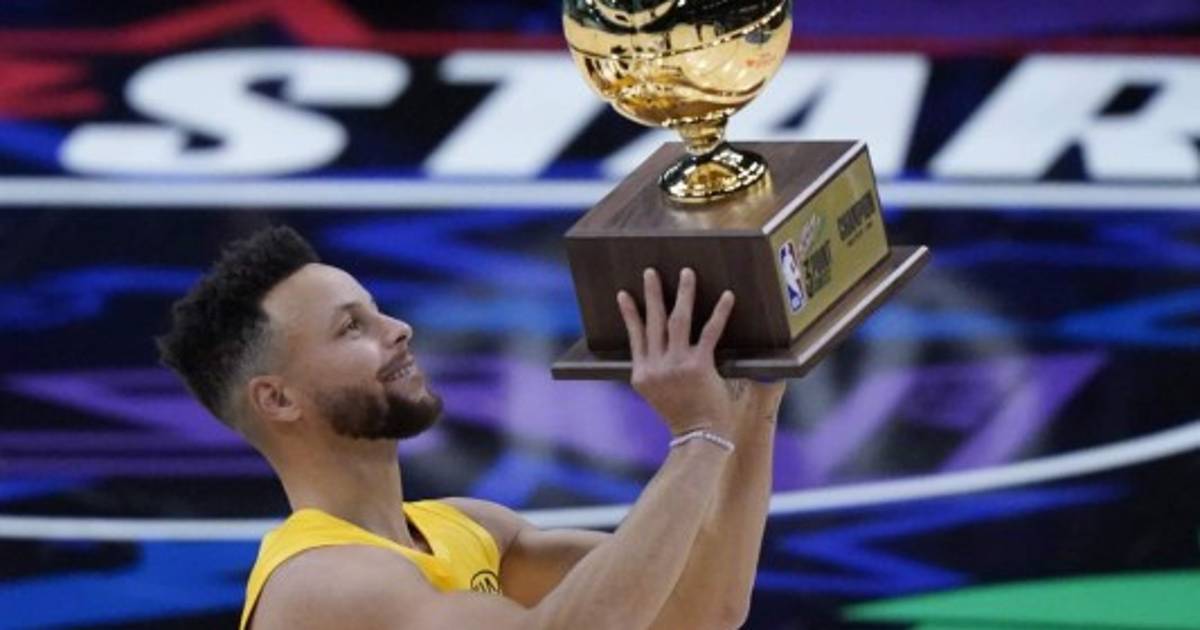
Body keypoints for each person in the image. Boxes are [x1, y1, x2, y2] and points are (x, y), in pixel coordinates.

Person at [157, 226, 786, 630]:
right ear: (277, 399)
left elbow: (700, 607)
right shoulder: (319, 583)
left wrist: (753, 402)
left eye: (377, 311)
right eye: (351, 328)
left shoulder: (467, 527)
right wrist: (697, 435)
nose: (398, 329)